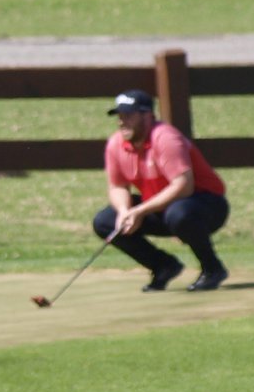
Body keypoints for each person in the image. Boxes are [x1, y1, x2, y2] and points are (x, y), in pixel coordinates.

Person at [93, 89, 231, 292]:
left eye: (129, 116)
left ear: (148, 115)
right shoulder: (116, 143)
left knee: (179, 214)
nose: (122, 122)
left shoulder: (166, 138)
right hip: (162, 208)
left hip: (205, 205)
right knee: (106, 221)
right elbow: (117, 186)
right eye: (120, 117)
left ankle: (212, 269)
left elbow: (184, 186)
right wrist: (125, 211)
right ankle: (163, 266)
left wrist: (139, 211)